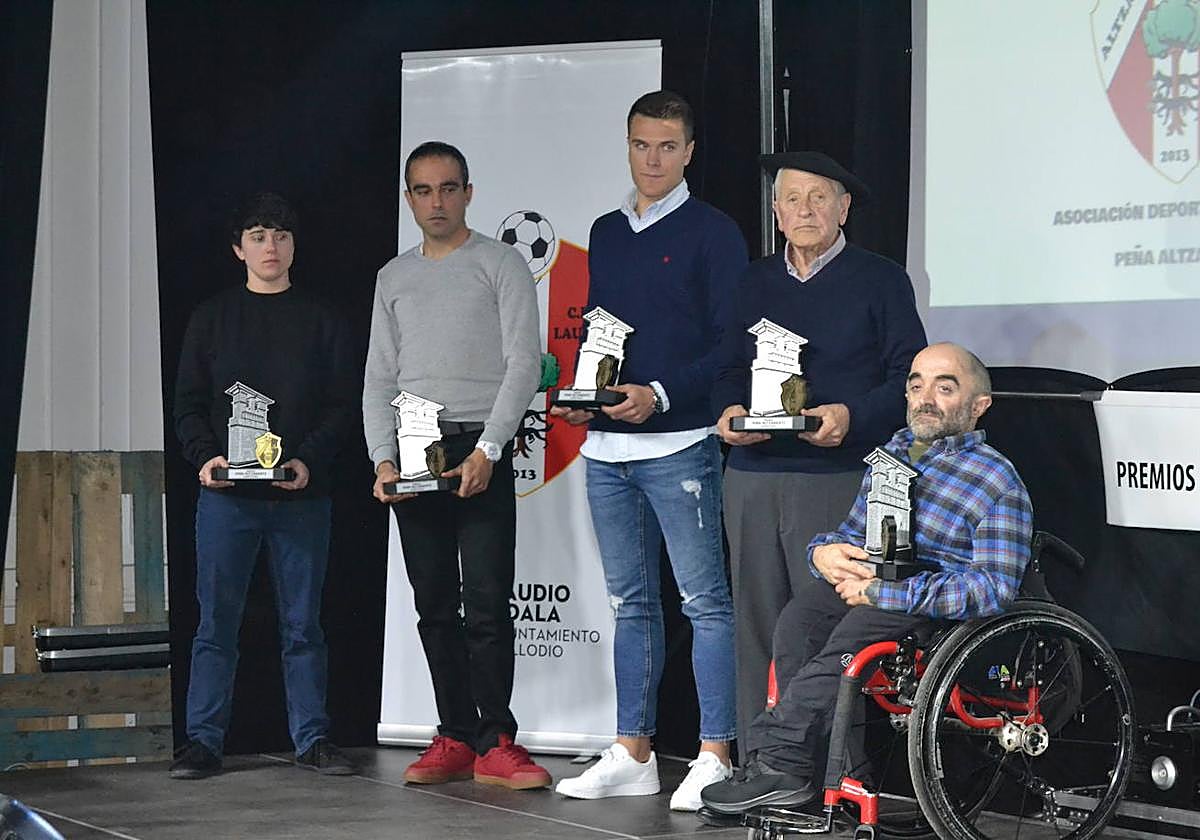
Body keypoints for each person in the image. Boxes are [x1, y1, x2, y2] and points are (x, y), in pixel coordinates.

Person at [701, 342, 1034, 814]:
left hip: (931, 602)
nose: (925, 397)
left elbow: (992, 589)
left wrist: (885, 592)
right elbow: (851, 531)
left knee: (849, 640)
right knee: (799, 620)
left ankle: (778, 759)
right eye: (915, 384)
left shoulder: (998, 481)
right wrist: (823, 553)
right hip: (876, 582)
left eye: (945, 387)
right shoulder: (898, 453)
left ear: (979, 406)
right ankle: (814, 774)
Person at [551, 90, 747, 812]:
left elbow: (731, 347)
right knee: (631, 603)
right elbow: (602, 337)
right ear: (627, 145)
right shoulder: (605, 231)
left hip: (680, 443)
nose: (653, 159)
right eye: (641, 145)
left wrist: (659, 395)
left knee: (705, 604)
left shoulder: (714, 232)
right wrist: (587, 392)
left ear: (690, 150)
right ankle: (633, 751)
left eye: (668, 146)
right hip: (605, 445)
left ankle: (716, 753)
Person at [711, 151, 926, 750]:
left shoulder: (881, 278)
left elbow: (908, 377)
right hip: (751, 476)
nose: (805, 210)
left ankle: (836, 772)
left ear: (844, 207)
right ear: (776, 212)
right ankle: (761, 765)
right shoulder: (751, 280)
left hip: (840, 477)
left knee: (829, 629)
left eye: (819, 197)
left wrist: (850, 418)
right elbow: (728, 369)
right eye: (792, 199)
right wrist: (726, 414)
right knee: (756, 627)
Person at [363, 141, 550, 790]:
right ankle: (454, 735)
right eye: (422, 190)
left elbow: (524, 363)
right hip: (414, 450)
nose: (436, 202)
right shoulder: (393, 276)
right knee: (435, 604)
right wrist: (382, 458)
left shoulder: (500, 264)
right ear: (408, 198)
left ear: (469, 192)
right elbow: (378, 376)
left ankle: (497, 739)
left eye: (448, 188)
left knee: (489, 604)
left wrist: (489, 449)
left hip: (480, 446)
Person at [171, 192, 357, 779]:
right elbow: (189, 405)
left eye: (279, 234)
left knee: (303, 625)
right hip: (227, 498)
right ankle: (203, 741)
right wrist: (204, 458)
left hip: (301, 497)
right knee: (215, 625)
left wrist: (306, 459)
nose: (270, 246)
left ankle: (313, 738)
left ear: (294, 245)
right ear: (238, 248)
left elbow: (339, 404)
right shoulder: (211, 318)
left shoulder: (323, 318)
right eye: (257, 235)